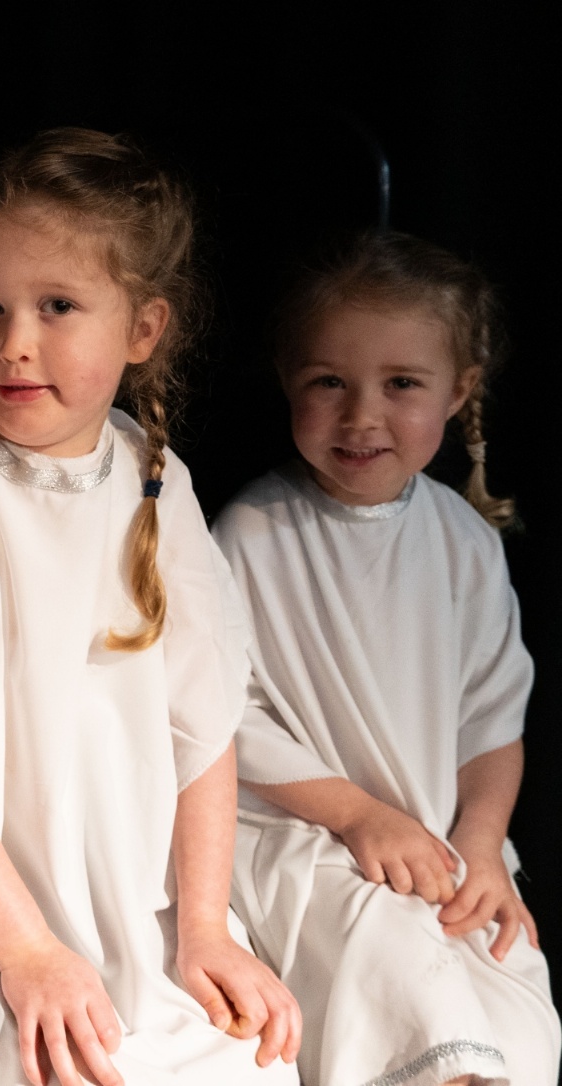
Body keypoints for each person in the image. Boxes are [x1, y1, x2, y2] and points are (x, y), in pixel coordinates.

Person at [0, 129, 302, 1086]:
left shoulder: (156, 479)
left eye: (58, 306)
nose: (14, 343)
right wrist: (27, 950)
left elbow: (202, 726)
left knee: (239, 1062)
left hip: (128, 886)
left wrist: (206, 926)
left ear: (143, 329)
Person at [214, 231, 561, 1086]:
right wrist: (358, 816)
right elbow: (222, 712)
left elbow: (491, 717)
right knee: (403, 977)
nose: (361, 416)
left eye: (401, 384)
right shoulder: (251, 534)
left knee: (506, 999)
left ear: (459, 390)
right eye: (328, 382)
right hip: (305, 833)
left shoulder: (464, 542)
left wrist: (482, 843)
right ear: (288, 380)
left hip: (438, 842)